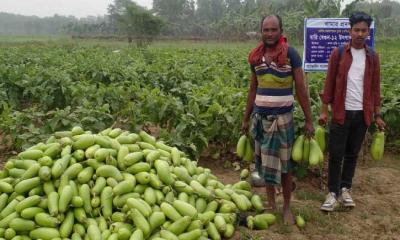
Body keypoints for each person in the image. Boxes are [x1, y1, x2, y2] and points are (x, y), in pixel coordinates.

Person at [242, 14, 314, 224]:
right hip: (261, 119)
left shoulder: (290, 54)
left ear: (281, 31)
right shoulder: (256, 57)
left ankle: (287, 207)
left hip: (283, 120)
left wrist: (309, 120)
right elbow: (253, 89)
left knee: (285, 166)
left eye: (274, 30)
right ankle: (272, 203)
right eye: (266, 30)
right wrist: (246, 118)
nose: (270, 34)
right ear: (261, 31)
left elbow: (300, 88)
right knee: (265, 165)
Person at [319, 12, 385, 212]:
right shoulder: (338, 54)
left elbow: (375, 88)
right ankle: (332, 192)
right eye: (356, 29)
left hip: (362, 115)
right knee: (336, 154)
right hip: (341, 113)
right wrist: (324, 110)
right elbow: (329, 83)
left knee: (352, 154)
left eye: (363, 30)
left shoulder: (372, 57)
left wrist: (377, 115)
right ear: (350, 31)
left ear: (368, 32)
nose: (360, 33)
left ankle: (345, 189)